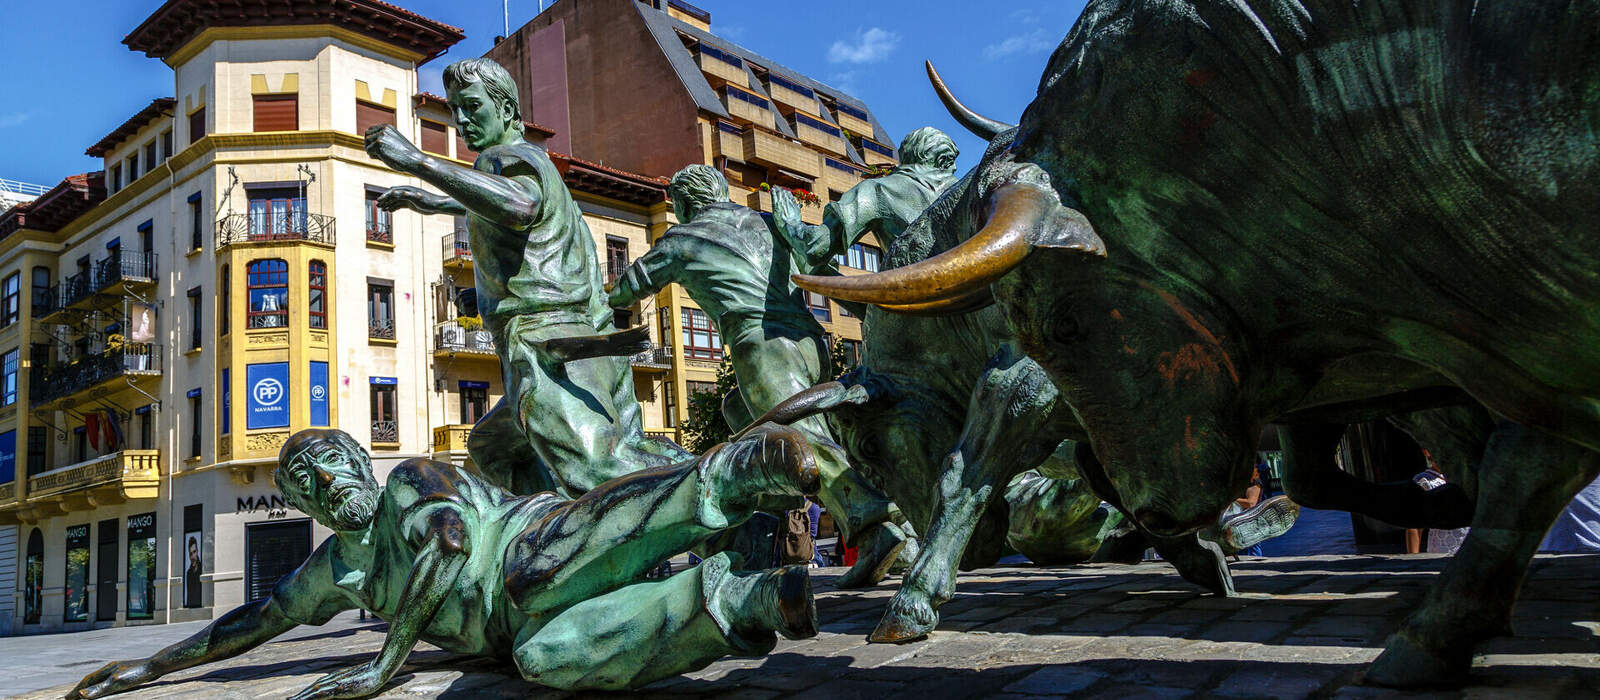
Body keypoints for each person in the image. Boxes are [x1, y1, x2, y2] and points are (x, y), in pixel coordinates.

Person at [69, 427, 820, 700]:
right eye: (308, 486)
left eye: (333, 465)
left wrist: (382, 666)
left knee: (536, 569)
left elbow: (450, 548)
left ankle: (736, 470)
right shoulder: (337, 570)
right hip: (512, 630)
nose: (327, 484)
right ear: (312, 509)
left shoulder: (411, 481)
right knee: (548, 659)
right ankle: (747, 604)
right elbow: (255, 620)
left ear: (361, 464)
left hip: (531, 550)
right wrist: (154, 666)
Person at [366, 58, 688, 497]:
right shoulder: (541, 170)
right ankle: (557, 531)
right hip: (588, 343)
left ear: (507, 110)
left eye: (472, 107)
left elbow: (518, 208)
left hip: (547, 345)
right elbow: (527, 234)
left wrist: (418, 162)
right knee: (491, 447)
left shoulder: (505, 158)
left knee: (601, 476)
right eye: (456, 110)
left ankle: (726, 494)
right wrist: (439, 210)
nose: (461, 121)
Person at [608, 165, 909, 588]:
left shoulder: (682, 238)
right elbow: (813, 259)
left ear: (684, 205)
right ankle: (771, 514)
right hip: (810, 342)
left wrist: (600, 299)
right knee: (740, 416)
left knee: (810, 445)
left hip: (761, 346)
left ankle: (878, 529)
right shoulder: (768, 222)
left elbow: (626, 290)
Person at [771, 127, 960, 280]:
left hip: (917, 308)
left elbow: (816, 248)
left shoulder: (876, 190)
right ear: (941, 160)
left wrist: (789, 222)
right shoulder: (962, 194)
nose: (954, 171)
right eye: (951, 164)